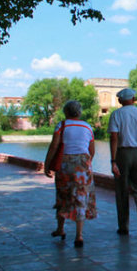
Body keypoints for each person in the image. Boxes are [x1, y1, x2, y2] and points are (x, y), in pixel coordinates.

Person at [44, 100, 96, 247]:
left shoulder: (61, 125)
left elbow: (54, 146)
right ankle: (79, 235)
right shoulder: (87, 127)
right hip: (83, 165)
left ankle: (60, 229)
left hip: (65, 164)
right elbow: (92, 150)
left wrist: (47, 164)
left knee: (63, 195)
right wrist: (86, 163)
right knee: (81, 197)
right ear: (79, 112)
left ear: (66, 112)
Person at [108, 88, 137, 238]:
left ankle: (123, 226)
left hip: (123, 154)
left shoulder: (116, 115)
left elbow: (114, 138)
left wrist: (113, 161)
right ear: (133, 99)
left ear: (120, 100)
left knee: (122, 190)